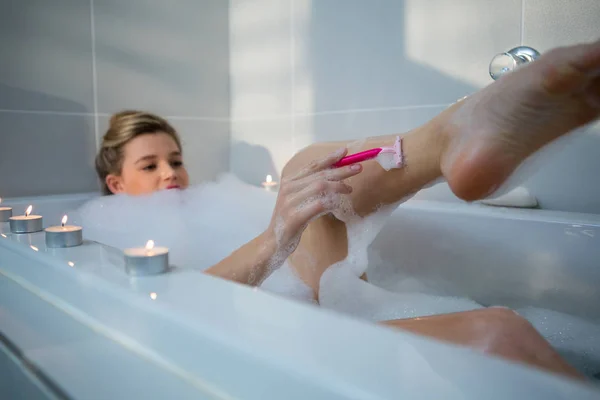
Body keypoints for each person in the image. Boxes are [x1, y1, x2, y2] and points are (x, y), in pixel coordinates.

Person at [95, 39, 600, 379]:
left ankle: (450, 143)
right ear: (115, 185)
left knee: (308, 167)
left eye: (176, 159)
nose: (170, 173)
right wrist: (274, 239)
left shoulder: (212, 208)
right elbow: (164, 313)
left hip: (304, 323)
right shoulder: (106, 240)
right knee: (495, 334)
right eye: (150, 166)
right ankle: (453, 138)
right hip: (247, 354)